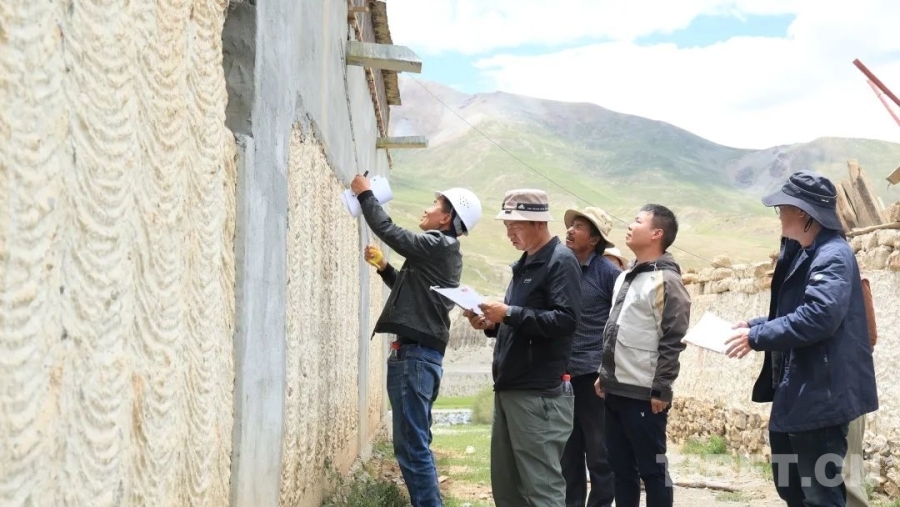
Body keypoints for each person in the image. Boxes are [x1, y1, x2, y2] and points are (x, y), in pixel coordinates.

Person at [725, 170, 878, 507]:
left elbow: (819, 318)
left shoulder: (832, 255)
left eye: (784, 207)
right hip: (799, 396)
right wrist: (752, 324)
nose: (779, 214)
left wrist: (756, 337)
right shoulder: (809, 254)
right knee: (792, 489)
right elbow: (798, 311)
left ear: (804, 214)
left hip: (820, 398)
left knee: (821, 496)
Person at [351, 174, 483, 507]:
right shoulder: (440, 251)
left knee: (412, 447)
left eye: (435, 204)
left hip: (416, 359)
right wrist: (385, 269)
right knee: (413, 444)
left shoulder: (440, 244)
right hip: (415, 357)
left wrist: (367, 196)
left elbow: (393, 233)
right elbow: (414, 296)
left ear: (448, 217)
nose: (427, 209)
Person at [464, 188, 582, 507]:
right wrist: (493, 324)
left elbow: (565, 320)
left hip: (538, 393)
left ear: (537, 223)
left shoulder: (560, 261)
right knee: (509, 487)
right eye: (506, 226)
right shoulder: (526, 264)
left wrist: (509, 313)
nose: (508, 234)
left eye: (514, 226)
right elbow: (523, 324)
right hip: (512, 388)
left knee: (540, 489)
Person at [595, 204, 691, 507]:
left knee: (653, 471)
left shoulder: (667, 281)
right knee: (621, 470)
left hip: (644, 394)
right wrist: (604, 372)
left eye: (638, 221)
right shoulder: (626, 277)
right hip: (615, 389)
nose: (630, 225)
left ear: (656, 233)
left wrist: (662, 387)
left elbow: (673, 338)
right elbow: (616, 330)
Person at [561, 207, 621, 507]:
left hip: (594, 377)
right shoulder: (560, 267)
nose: (570, 230)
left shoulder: (609, 274)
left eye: (579, 227)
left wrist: (608, 371)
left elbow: (621, 323)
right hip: (562, 378)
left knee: (599, 454)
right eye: (571, 225)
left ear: (595, 238)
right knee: (567, 455)